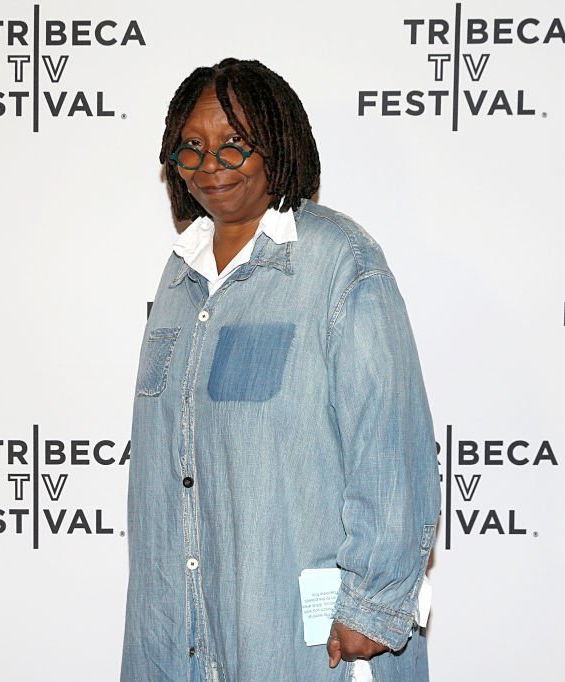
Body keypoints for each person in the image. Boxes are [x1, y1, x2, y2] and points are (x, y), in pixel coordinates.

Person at [121, 57, 441, 682]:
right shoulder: (178, 276)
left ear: (277, 146)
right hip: (178, 627)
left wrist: (372, 605)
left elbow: (390, 442)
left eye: (233, 146)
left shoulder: (340, 263)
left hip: (300, 639)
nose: (209, 165)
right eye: (191, 148)